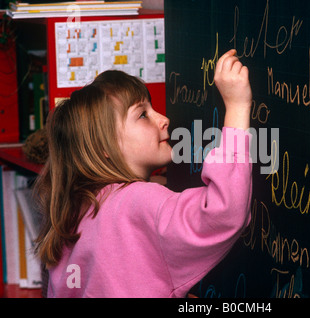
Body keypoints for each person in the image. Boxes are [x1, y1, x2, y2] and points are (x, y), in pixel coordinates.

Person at [33, 49, 253, 297]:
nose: (164, 119)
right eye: (142, 115)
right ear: (104, 146)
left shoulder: (75, 208)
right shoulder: (138, 201)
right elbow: (223, 212)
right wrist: (237, 107)